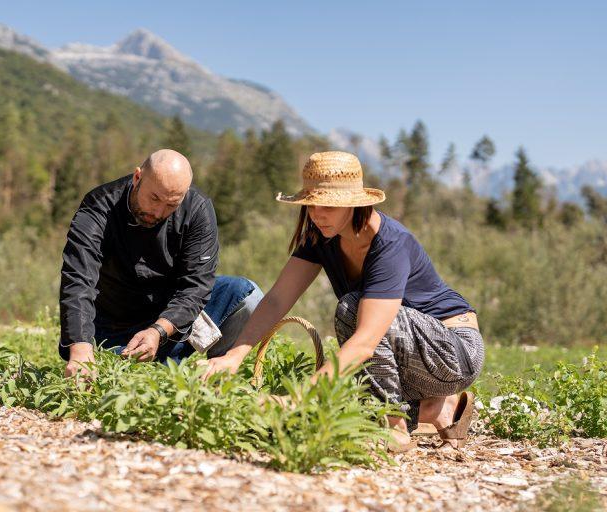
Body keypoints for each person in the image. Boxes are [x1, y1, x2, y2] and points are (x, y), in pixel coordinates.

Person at [202, 151, 484, 451]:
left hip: (456, 351)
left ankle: (394, 425)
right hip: (411, 354)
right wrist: (235, 356)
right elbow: (276, 300)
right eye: (311, 204)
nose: (317, 214)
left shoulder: (390, 244)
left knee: (352, 309)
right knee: (347, 391)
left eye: (328, 205)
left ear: (353, 203)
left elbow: (365, 342)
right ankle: (437, 408)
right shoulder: (320, 236)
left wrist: (297, 398)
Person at [59, 149, 263, 378]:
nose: (158, 212)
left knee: (247, 295)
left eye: (171, 205)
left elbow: (196, 286)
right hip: (112, 326)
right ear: (137, 177)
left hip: (168, 323)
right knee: (118, 377)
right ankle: (130, 365)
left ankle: (215, 378)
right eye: (154, 198)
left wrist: (158, 331)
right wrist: (80, 350)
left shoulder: (197, 209)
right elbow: (78, 279)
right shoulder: (99, 206)